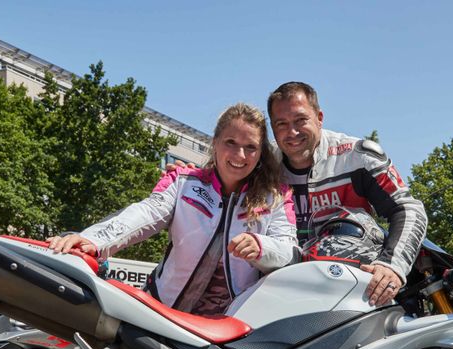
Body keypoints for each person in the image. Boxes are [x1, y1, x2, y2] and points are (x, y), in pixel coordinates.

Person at [49, 103, 297, 316]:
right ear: (215, 143)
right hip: (161, 309)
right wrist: (93, 240)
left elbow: (289, 252)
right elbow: (145, 214)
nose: (239, 154)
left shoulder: (277, 198)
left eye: (250, 147)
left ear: (261, 152)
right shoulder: (183, 181)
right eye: (230, 142)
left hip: (228, 326)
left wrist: (261, 247)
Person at [266, 82, 428, 307]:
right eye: (281, 124)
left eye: (300, 120)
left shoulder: (357, 156)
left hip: (352, 288)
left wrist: (392, 265)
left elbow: (408, 208)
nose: (292, 132)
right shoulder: (262, 164)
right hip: (280, 288)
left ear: (319, 117)